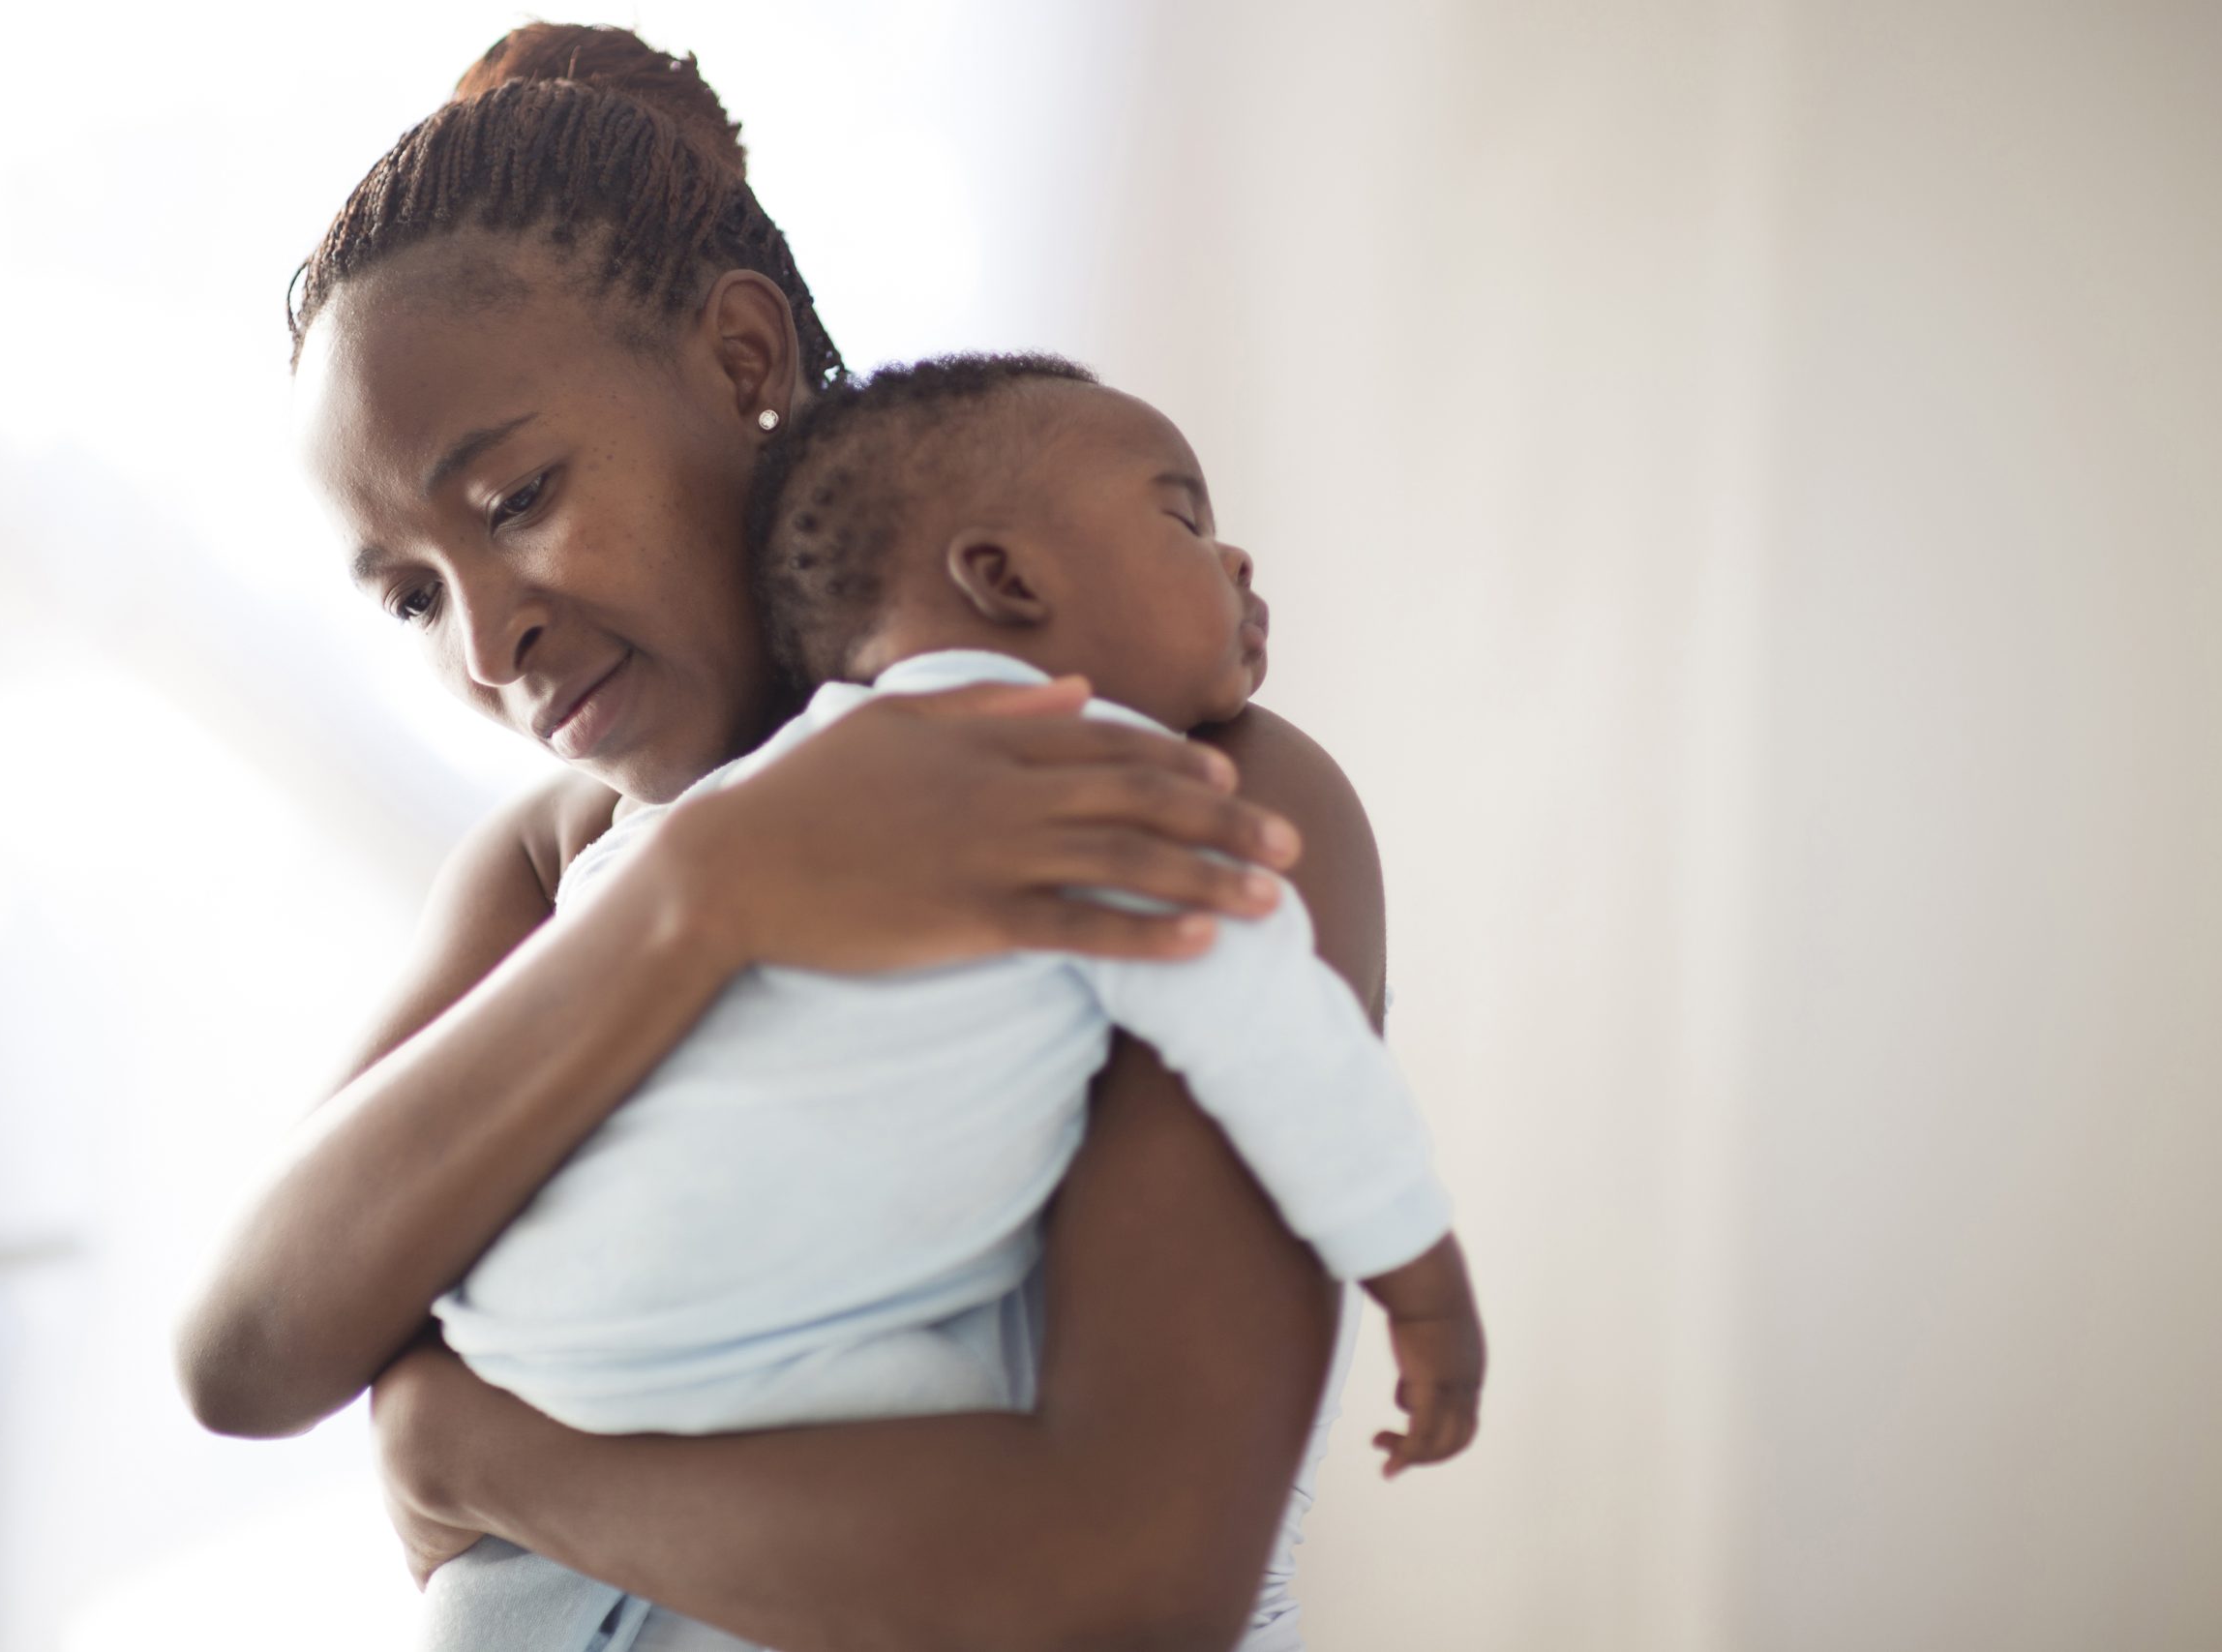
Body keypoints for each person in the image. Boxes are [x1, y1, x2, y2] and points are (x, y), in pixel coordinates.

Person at [174, 22, 1474, 1652]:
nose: (486, 644)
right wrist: (704, 898)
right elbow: (244, 1351)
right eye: (414, 595)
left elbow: (1133, 1581)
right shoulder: (551, 870)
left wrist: (466, 1449)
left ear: (741, 361)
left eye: (513, 501)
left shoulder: (1180, 784)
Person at [417, 352, 1486, 1648]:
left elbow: (302, 1369)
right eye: (1184, 518)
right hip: (746, 1402)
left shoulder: (702, 828)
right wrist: (1422, 1283)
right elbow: (1288, 1052)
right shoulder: (1098, 787)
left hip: (521, 1363)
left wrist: (440, 1440)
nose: (1239, 562)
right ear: (1006, 579)